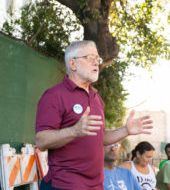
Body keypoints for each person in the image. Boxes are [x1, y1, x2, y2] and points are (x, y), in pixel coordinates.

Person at [35, 40, 153, 190]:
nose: (96, 63)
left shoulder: (96, 99)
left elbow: (99, 137)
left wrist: (126, 130)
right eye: (90, 58)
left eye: (97, 59)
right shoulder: (55, 95)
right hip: (65, 184)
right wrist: (74, 131)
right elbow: (41, 141)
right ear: (73, 64)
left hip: (96, 185)